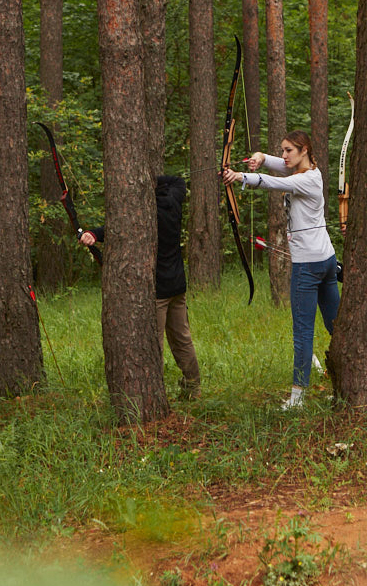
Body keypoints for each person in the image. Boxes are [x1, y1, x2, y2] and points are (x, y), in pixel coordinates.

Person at [222, 130, 339, 409]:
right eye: (282, 150)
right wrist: (261, 158)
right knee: (337, 326)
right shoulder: (313, 171)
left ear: (304, 150)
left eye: (289, 150)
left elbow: (274, 183)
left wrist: (240, 177)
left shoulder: (306, 179)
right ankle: (344, 384)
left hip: (308, 267)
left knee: (303, 333)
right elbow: (280, 166)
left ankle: (297, 400)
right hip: (326, 260)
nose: (284, 155)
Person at [80, 175, 200, 399]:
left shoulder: (146, 213)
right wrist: (153, 178)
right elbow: (177, 181)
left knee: (153, 344)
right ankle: (193, 388)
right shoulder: (174, 197)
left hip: (159, 290)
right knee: (182, 338)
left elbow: (118, 228)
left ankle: (154, 394)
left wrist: (94, 234)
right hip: (177, 284)